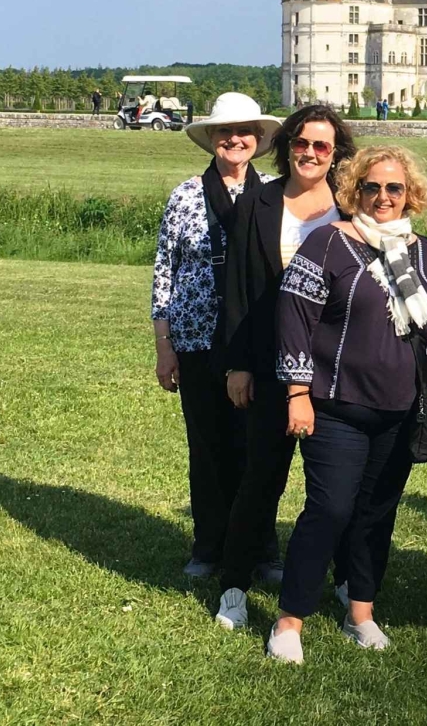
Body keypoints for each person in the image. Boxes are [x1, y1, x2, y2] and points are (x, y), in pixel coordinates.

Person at [264, 145, 427, 664]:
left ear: (410, 195)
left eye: (394, 188)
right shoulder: (327, 244)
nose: (383, 197)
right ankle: (289, 621)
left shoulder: (425, 253)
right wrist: (296, 393)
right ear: (355, 190)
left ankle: (361, 611)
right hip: (334, 406)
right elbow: (294, 321)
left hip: (400, 409)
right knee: (330, 510)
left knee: (377, 514)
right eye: (373, 187)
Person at [212, 103, 356, 633]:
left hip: (336, 368)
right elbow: (241, 289)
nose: (311, 153)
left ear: (336, 152)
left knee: (336, 489)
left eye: (322, 145)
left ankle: (345, 580)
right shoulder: (259, 201)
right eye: (302, 142)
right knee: (261, 479)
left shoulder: (350, 205)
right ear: (287, 144)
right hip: (271, 365)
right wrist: (239, 365)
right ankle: (234, 582)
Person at [151, 92, 281, 578]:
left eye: (244, 130)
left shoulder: (272, 194)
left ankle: (261, 549)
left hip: (253, 338)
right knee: (208, 447)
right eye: (224, 131)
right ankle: (209, 547)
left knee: (257, 448)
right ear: (210, 139)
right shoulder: (185, 195)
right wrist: (164, 347)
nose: (234, 138)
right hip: (196, 340)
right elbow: (165, 271)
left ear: (259, 139)